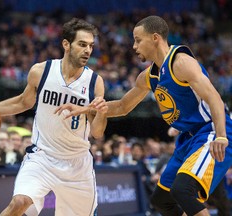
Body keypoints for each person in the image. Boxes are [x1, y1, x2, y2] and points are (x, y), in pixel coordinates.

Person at [55, 15, 232, 216]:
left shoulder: (181, 62)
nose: (134, 46)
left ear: (155, 38)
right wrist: (85, 108)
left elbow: (215, 98)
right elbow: (122, 106)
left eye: (138, 40)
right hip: (188, 138)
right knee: (161, 200)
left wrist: (221, 136)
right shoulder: (148, 76)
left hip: (211, 131)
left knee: (184, 191)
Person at [0, 18, 107, 216]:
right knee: (19, 203)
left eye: (91, 46)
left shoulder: (95, 82)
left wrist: (101, 112)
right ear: (66, 44)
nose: (88, 51)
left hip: (77, 165)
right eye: (82, 44)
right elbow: (23, 102)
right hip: (42, 157)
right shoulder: (41, 71)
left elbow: (98, 132)